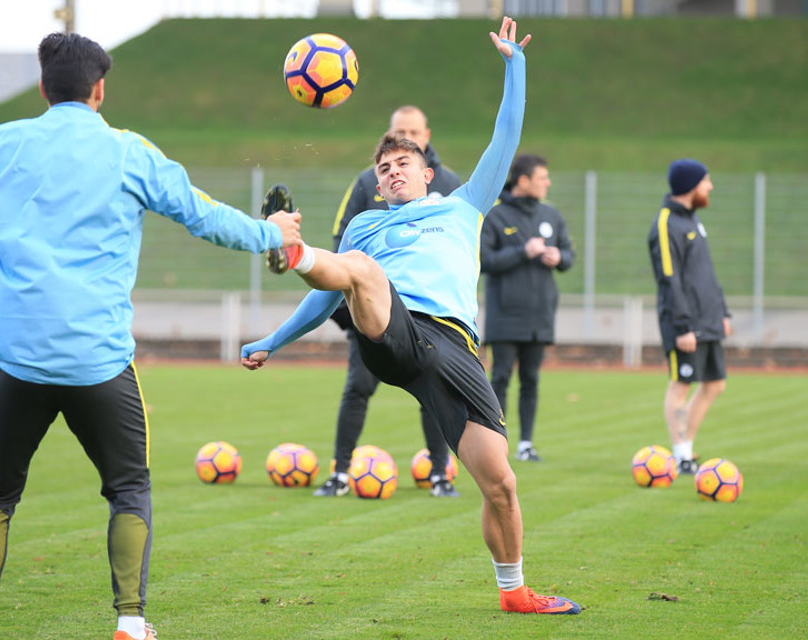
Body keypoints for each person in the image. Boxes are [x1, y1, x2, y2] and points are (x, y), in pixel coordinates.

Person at [0, 33, 301, 640]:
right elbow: (205, 218)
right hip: (98, 364)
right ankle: (130, 621)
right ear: (99, 90)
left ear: (44, 89)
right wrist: (273, 233)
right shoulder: (128, 152)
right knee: (129, 489)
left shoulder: (4, 143)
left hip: (15, 361)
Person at [242, 17, 580, 615]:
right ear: (378, 185)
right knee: (360, 268)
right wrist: (275, 337)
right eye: (384, 169)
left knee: (500, 484)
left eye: (403, 164)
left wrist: (515, 65)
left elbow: (506, 137)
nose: (392, 171)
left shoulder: (465, 206)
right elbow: (330, 294)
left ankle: (514, 592)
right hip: (395, 332)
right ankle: (292, 251)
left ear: (428, 174)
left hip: (456, 351)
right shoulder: (367, 226)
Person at [317, 105, 462, 497]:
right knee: (358, 387)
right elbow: (341, 243)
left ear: (426, 136)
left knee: (435, 394)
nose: (407, 137)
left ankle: (439, 474)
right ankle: (340, 472)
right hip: (374, 312)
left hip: (429, 316)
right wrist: (350, 305)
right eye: (400, 131)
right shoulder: (369, 180)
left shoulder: (449, 183)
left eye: (414, 132)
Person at [479, 154, 574, 462]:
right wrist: (523, 251)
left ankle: (526, 444)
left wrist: (559, 257)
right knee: (500, 378)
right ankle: (496, 443)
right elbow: (484, 260)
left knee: (531, 380)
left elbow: (569, 255)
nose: (547, 183)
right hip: (505, 315)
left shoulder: (551, 214)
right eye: (542, 178)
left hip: (539, 314)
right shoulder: (495, 215)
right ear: (523, 180)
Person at [646, 159, 731, 475]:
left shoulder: (693, 220)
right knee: (681, 384)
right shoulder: (666, 223)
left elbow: (705, 274)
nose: (710, 187)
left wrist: (722, 312)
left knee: (715, 384)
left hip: (708, 319)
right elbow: (669, 279)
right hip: (684, 324)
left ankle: (686, 447)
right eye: (706, 181)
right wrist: (682, 327)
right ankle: (681, 454)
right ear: (691, 186)